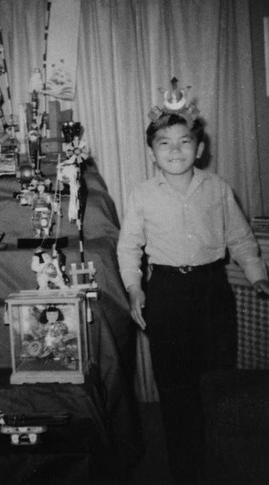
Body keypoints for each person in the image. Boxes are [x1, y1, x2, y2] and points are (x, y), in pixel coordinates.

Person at [116, 79, 269, 484]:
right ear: (152, 153)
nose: (175, 151)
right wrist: (134, 288)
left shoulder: (218, 188)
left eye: (184, 142)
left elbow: (240, 239)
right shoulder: (142, 195)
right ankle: (185, 469)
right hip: (165, 293)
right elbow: (129, 247)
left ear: (199, 148)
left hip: (211, 291)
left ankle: (222, 462)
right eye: (164, 144)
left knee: (218, 380)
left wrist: (256, 277)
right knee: (175, 384)